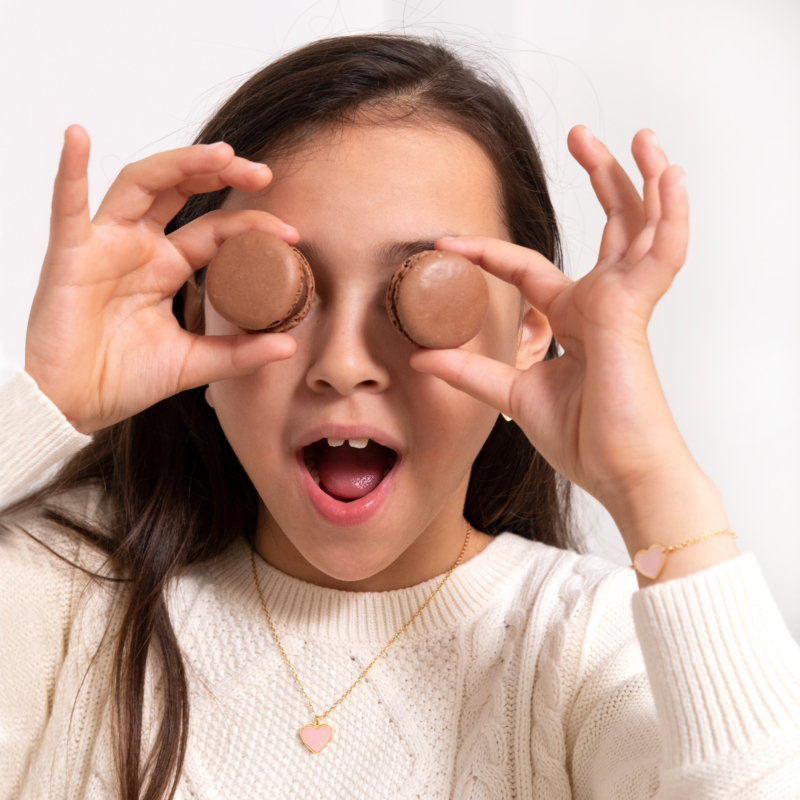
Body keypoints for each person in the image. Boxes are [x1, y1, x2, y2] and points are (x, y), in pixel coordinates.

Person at [1, 32, 798, 800]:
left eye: (421, 293)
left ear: (527, 331)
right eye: (283, 290)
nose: (345, 363)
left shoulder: (587, 648)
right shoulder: (70, 593)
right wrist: (46, 400)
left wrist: (650, 481)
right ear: (200, 316)